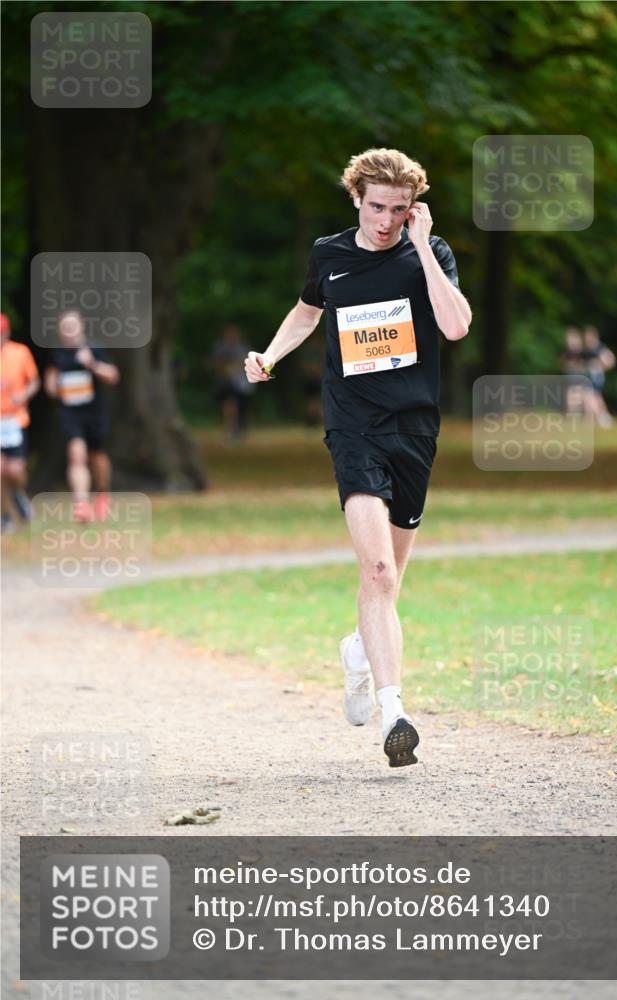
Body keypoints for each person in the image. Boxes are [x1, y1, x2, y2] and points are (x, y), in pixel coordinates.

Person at [244, 148, 471, 767]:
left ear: (413, 208)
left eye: (400, 209)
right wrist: (270, 354)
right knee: (376, 573)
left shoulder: (429, 253)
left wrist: (422, 248)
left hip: (415, 428)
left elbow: (455, 328)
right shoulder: (331, 254)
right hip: (353, 424)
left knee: (391, 581)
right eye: (376, 207)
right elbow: (308, 309)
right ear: (355, 199)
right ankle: (394, 709)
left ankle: (357, 647)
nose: (386, 220)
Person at [44, 310, 120, 522]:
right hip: (70, 413)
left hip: (94, 413)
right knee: (76, 454)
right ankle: (82, 504)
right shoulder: (57, 353)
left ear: (81, 326)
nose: (68, 330)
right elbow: (51, 380)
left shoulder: (93, 348)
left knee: (97, 457)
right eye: (64, 326)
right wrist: (51, 384)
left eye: (72, 325)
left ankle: (103, 492)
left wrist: (92, 364)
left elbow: (113, 376)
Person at [1, 313, 40, 534]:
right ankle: (5, 517)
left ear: (7, 333)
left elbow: (34, 381)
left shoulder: (20, 353)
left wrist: (22, 395)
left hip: (15, 420)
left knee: (14, 471)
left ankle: (17, 494)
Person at [208, 323, 257, 443]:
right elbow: (212, 363)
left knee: (241, 409)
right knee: (229, 406)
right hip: (225, 383)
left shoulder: (243, 348)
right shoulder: (219, 348)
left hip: (242, 385)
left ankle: (239, 431)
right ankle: (230, 430)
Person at [580, 325, 616, 427]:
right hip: (589, 376)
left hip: (596, 377)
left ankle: (600, 418)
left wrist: (599, 365)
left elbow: (610, 360)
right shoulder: (587, 349)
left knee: (590, 397)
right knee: (596, 397)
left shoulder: (599, 348)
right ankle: (603, 417)